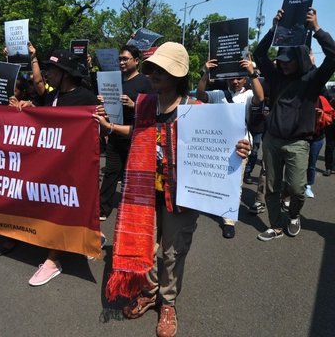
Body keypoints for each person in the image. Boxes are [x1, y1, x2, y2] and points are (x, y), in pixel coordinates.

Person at [94, 42, 250, 337]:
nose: (153, 74)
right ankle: (150, 292)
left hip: (182, 196)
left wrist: (241, 147)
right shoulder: (144, 104)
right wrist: (110, 126)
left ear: (177, 76)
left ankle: (168, 303)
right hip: (144, 192)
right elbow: (139, 133)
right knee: (147, 249)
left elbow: (229, 141)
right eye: (151, 68)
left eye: (160, 70)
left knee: (173, 253)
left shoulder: (197, 109)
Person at [14, 49, 100, 286]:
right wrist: (25, 106)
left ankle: (53, 260)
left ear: (65, 74)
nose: (47, 75)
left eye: (52, 70)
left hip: (74, 169)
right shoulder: (52, 96)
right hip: (52, 166)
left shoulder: (86, 98)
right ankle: (88, 236)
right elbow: (41, 117)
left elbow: (97, 131)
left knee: (63, 207)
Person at [254, 7, 335, 241]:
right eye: (281, 60)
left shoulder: (312, 79)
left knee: (298, 189)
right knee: (271, 188)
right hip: (272, 141)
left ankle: (293, 214)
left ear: (299, 58)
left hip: (299, 143)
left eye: (288, 61)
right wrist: (273, 29)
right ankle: (276, 225)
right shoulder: (276, 77)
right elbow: (259, 55)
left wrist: (317, 29)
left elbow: (333, 56)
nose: (284, 64)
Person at [196, 57, 264, 238]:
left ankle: (229, 220)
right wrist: (205, 74)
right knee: (216, 178)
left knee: (235, 182)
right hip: (218, 146)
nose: (235, 81)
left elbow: (260, 97)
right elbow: (200, 96)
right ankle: (216, 205)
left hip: (240, 146)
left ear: (245, 79)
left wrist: (252, 72)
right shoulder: (219, 94)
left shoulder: (248, 95)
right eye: (232, 78)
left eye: (240, 78)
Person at [99, 45, 153, 221]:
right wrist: (102, 101)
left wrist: (134, 104)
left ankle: (133, 208)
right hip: (115, 133)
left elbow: (154, 109)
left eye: (125, 59)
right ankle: (102, 208)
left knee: (134, 173)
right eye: (120, 59)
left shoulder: (145, 82)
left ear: (136, 61)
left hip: (135, 135)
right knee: (111, 171)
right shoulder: (115, 80)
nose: (121, 62)